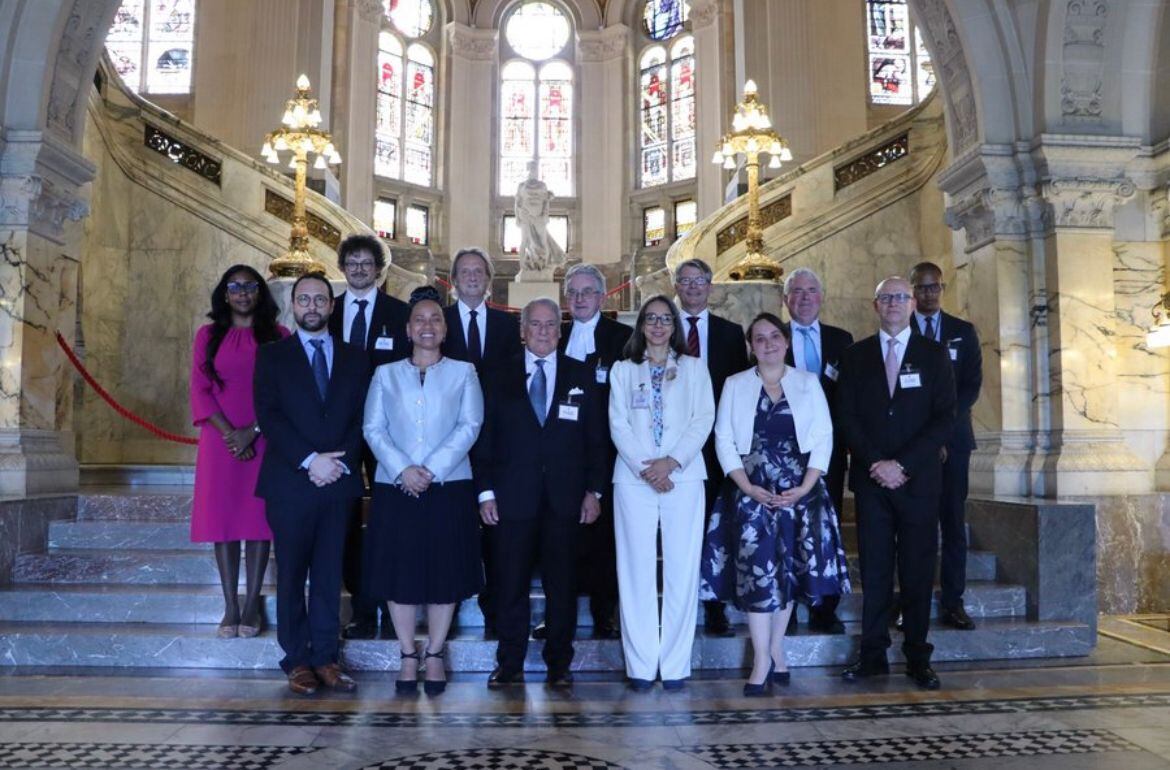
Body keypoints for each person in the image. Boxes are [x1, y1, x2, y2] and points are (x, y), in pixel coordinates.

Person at [700, 314, 849, 696]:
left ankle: (775, 647)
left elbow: (824, 437)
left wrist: (804, 488)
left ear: (785, 342)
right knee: (756, 576)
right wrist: (746, 486)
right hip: (750, 492)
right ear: (751, 346)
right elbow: (723, 439)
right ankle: (762, 658)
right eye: (759, 339)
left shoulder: (807, 382)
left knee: (788, 574)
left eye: (774, 337)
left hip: (798, 493)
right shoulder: (735, 384)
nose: (767, 344)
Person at [473, 298, 607, 689]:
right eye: (536, 324)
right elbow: (484, 440)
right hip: (511, 500)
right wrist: (485, 494)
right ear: (523, 330)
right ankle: (509, 662)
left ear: (560, 330)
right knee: (509, 584)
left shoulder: (581, 375)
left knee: (561, 586)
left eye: (551, 325)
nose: (544, 331)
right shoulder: (496, 375)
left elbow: (597, 442)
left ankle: (559, 664)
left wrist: (594, 491)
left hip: (566, 502)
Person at [363, 286, 484, 696]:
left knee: (444, 570)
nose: (427, 326)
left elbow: (469, 426)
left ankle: (433, 653)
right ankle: (406, 653)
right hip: (394, 486)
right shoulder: (385, 373)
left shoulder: (464, 372)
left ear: (445, 329)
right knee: (399, 570)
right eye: (420, 320)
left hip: (448, 485)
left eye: (435, 319)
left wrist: (429, 470)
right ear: (408, 329)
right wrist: (403, 470)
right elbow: (372, 429)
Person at [837, 276, 955, 691]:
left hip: (918, 482)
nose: (893, 303)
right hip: (872, 485)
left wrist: (901, 464)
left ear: (912, 305)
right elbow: (847, 418)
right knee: (874, 571)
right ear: (875, 305)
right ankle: (872, 655)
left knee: (919, 572)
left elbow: (944, 419)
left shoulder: (934, 354)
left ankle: (918, 657)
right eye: (885, 297)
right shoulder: (855, 357)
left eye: (901, 297)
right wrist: (876, 464)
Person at [254, 272, 369, 696]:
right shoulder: (272, 356)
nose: (313, 307)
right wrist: (309, 461)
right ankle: (297, 660)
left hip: (338, 482)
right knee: (291, 575)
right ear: (294, 305)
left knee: (329, 575)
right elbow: (270, 417)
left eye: (320, 299)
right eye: (305, 300)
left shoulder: (356, 357)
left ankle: (326, 657)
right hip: (289, 484)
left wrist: (337, 464)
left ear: (332, 305)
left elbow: (364, 419)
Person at [609, 295, 715, 691]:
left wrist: (671, 463)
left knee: (681, 571)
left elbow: (703, 419)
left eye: (665, 319)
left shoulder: (693, 368)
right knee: (634, 571)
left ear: (675, 326)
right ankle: (640, 665)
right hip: (633, 481)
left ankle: (674, 665)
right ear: (641, 325)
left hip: (683, 479)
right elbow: (618, 424)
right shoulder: (623, 370)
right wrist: (647, 468)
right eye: (650, 319)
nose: (657, 325)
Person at [190, 265, 288, 639]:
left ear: (260, 293)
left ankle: (252, 604)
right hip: (221, 441)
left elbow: (283, 392)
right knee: (224, 522)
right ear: (225, 294)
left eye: (250, 286)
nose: (243, 293)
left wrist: (253, 431)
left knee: (258, 522)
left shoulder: (278, 336)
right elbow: (201, 388)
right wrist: (232, 434)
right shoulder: (208, 335)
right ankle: (230, 604)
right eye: (235, 287)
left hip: (263, 438)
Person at [327, 234, 411, 641]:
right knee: (344, 520)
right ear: (342, 268)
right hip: (339, 431)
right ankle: (361, 608)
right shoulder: (330, 310)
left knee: (391, 519)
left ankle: (396, 606)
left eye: (367, 262)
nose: (360, 268)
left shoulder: (400, 313)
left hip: (390, 431)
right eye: (352, 262)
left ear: (379, 269)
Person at [441, 247, 522, 636]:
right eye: (464, 271)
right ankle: (450, 600)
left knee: (496, 530)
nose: (472, 277)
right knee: (454, 526)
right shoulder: (438, 323)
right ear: (453, 280)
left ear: (489, 280)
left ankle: (493, 605)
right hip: (449, 441)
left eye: (479, 271)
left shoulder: (509, 327)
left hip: (498, 445)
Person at [555, 263, 631, 640]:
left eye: (587, 292)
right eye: (573, 292)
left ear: (603, 296)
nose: (580, 299)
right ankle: (558, 614)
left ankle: (605, 614)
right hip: (561, 455)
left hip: (608, 453)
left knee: (604, 541)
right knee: (560, 541)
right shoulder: (555, 333)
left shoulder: (623, 337)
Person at [673, 258, 749, 637]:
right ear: (676, 287)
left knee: (717, 530)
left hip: (718, 447)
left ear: (710, 287)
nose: (692, 287)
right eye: (684, 281)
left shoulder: (732, 334)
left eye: (699, 281)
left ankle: (715, 604)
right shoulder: (662, 329)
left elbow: (740, 390)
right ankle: (678, 601)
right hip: (672, 448)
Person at [910, 261, 982, 630]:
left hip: (954, 443)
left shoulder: (963, 332)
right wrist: (925, 438)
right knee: (914, 526)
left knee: (953, 523)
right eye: (921, 288)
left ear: (942, 288)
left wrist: (941, 431)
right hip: (913, 446)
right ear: (911, 290)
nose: (928, 294)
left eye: (934, 287)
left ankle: (954, 601)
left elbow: (970, 386)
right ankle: (910, 602)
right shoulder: (899, 329)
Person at [782, 267, 854, 634]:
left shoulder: (843, 340)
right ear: (786, 299)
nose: (805, 297)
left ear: (821, 296)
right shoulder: (772, 338)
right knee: (786, 528)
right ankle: (788, 605)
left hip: (829, 452)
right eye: (797, 291)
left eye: (811, 290)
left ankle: (825, 605)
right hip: (784, 454)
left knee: (827, 528)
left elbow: (851, 399)